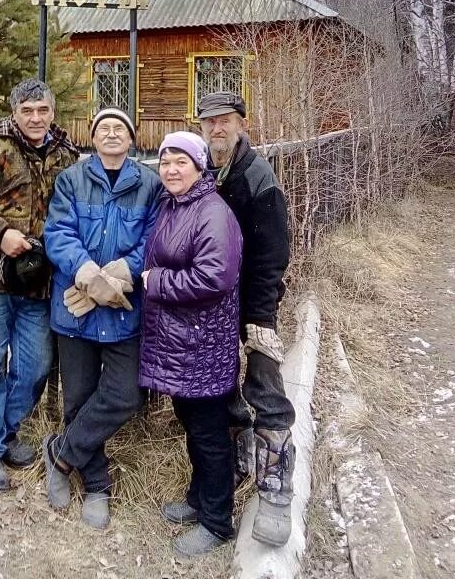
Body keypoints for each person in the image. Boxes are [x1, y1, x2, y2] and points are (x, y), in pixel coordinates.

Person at [0, 78, 78, 491]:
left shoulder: (67, 154)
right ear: (15, 113)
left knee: (37, 364)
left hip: (40, 280)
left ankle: (3, 432)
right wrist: (1, 233)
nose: (35, 118)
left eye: (42, 110)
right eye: (27, 111)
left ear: (52, 112)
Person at [43, 107, 162, 530]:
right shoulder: (71, 180)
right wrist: (88, 275)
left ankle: (59, 454)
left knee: (125, 394)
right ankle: (96, 483)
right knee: (77, 399)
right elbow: (58, 232)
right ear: (93, 138)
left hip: (122, 310)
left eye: (120, 129)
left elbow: (154, 238)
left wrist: (117, 277)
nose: (111, 134)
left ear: (131, 139)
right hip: (74, 306)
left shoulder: (149, 184)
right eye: (103, 128)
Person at [197, 91, 296, 547]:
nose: (217, 129)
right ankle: (234, 463)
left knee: (264, 382)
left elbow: (273, 252)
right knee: (221, 388)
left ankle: (276, 486)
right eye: (209, 122)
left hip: (253, 300)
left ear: (241, 124)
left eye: (225, 121)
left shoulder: (256, 174)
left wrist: (261, 314)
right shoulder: (204, 169)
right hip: (213, 301)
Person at [139, 131, 243, 558]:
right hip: (181, 340)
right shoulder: (174, 204)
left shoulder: (212, 212)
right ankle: (199, 498)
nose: (171, 170)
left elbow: (213, 278)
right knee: (194, 423)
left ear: (200, 167)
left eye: (181, 162)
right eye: (165, 162)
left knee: (209, 433)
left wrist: (155, 281)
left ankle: (218, 522)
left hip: (202, 341)